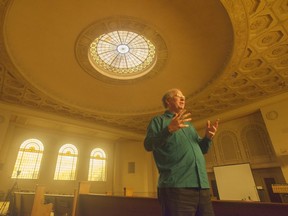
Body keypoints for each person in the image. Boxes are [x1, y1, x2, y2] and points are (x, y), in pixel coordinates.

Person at [144, 88, 219, 216]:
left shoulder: (188, 125)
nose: (183, 98)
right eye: (178, 96)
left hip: (202, 187)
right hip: (176, 188)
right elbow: (148, 145)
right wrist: (168, 130)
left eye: (184, 96)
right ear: (168, 101)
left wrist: (207, 138)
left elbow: (202, 149)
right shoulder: (158, 121)